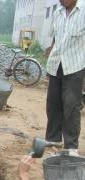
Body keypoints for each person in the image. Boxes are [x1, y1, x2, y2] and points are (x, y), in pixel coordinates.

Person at [44, 0, 84, 156]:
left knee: (71, 105)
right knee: (53, 103)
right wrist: (50, 62)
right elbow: (55, 38)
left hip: (76, 65)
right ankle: (53, 138)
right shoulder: (57, 13)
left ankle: (71, 145)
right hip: (56, 64)